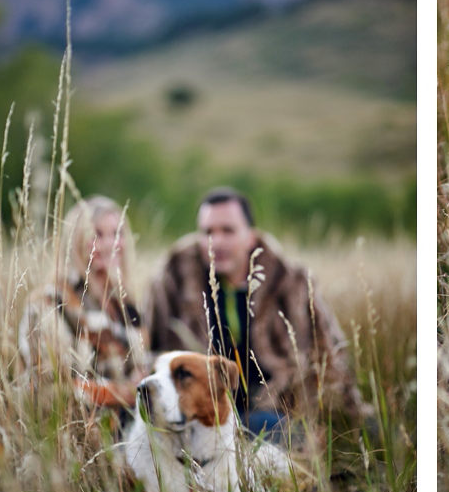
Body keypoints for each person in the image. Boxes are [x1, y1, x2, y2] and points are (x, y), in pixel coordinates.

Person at [146, 187, 363, 441]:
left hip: (274, 409)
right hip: (196, 413)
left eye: (228, 230)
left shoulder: (290, 281)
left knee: (277, 430)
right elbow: (148, 348)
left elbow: (328, 352)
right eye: (207, 232)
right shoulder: (173, 278)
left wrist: (346, 415)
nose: (216, 241)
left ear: (250, 237)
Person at [19, 195, 149, 431]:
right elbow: (49, 388)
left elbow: (138, 364)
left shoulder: (126, 301)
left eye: (117, 233)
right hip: (83, 437)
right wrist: (119, 393)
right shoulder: (51, 301)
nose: (111, 243)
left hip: (133, 430)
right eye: (97, 235)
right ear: (75, 241)